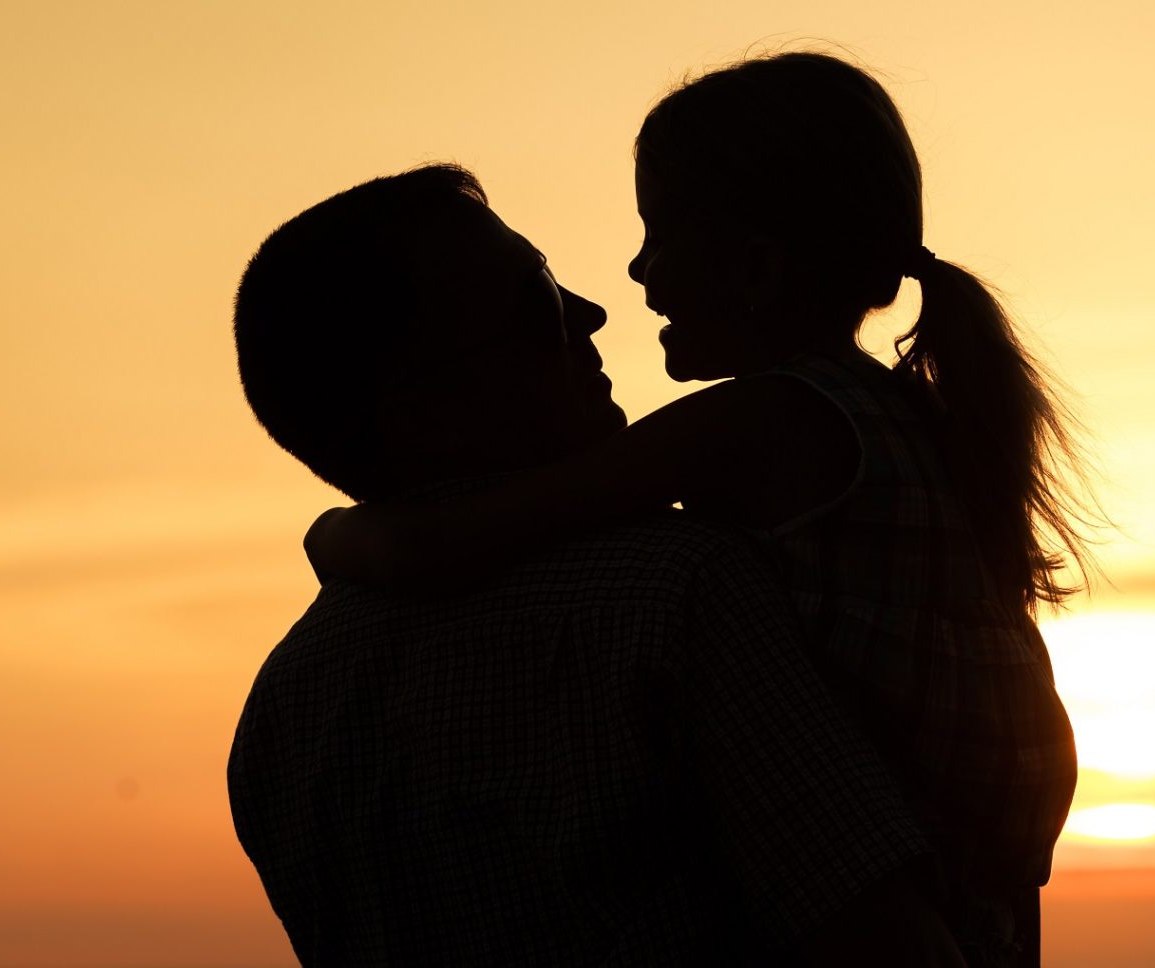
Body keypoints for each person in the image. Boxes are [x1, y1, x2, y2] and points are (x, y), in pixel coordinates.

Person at [308, 51, 1098, 966]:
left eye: (659, 233)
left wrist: (338, 532)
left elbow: (457, 540)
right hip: (981, 882)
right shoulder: (902, 413)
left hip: (897, 882)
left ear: (756, 267)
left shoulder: (762, 422)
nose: (636, 273)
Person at [227, 163, 966, 966]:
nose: (592, 311)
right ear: (422, 408)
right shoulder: (676, 593)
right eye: (537, 299)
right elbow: (887, 942)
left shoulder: (281, 714)